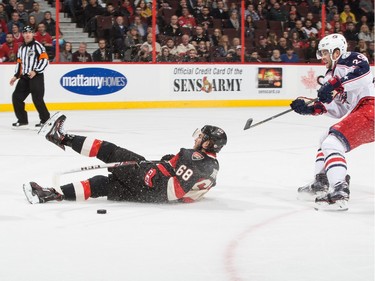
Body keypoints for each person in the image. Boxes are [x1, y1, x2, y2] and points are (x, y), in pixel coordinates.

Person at [23, 112, 227, 205]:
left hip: (153, 184)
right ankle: (50, 194)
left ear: (209, 144)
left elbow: (175, 188)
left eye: (202, 137)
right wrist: (167, 166)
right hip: (154, 197)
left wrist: (152, 174)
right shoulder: (213, 166)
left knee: (110, 152)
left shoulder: (193, 156)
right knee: (102, 184)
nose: (198, 138)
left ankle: (61, 137)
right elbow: (188, 192)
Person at [290, 33, 374, 211]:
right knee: (325, 139)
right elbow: (340, 109)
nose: (322, 58)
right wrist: (311, 108)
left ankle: (339, 191)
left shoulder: (349, 58)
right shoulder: (331, 74)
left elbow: (364, 74)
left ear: (336, 52)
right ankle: (322, 181)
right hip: (364, 111)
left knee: (332, 142)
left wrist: (335, 84)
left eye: (325, 53)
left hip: (370, 108)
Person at [9, 25, 50, 128]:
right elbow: (19, 63)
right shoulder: (21, 48)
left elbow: (45, 60)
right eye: (25, 33)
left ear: (33, 34)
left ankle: (45, 120)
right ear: (23, 34)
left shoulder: (38, 46)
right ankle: (22, 119)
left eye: (29, 32)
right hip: (25, 77)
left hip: (36, 76)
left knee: (37, 98)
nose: (27, 34)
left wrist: (35, 71)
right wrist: (16, 75)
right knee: (16, 97)